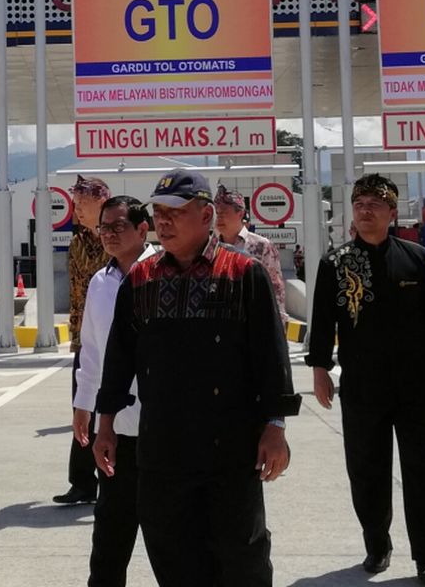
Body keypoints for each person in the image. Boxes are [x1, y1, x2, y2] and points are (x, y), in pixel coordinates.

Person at [94, 170, 299, 587]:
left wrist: (275, 428)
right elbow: (118, 359)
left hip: (230, 451)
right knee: (173, 558)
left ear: (206, 216)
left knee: (243, 561)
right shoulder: (141, 279)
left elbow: (271, 358)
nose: (163, 221)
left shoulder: (244, 274)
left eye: (176, 212)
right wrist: (106, 426)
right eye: (158, 212)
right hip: (162, 451)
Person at [306, 173, 425, 584]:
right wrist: (320, 371)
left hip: (415, 383)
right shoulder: (335, 263)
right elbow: (322, 322)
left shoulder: (416, 257)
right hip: (363, 385)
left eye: (375, 204)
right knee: (367, 468)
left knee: (421, 468)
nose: (366, 211)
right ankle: (377, 544)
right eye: (360, 204)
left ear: (391, 212)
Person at [73, 195, 155, 587]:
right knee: (109, 535)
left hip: (163, 429)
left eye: (119, 226)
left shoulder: (164, 274)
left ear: (143, 229)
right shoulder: (100, 282)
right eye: (104, 227)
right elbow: (91, 349)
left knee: (171, 541)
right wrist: (82, 405)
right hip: (116, 428)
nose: (109, 234)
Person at [54, 174, 111, 505]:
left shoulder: (119, 238)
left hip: (117, 339)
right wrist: (77, 337)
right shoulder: (77, 245)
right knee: (83, 409)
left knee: (117, 412)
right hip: (88, 342)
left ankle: (115, 478)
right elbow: (77, 295)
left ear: (101, 202)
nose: (75, 209)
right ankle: (82, 482)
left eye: (81, 203)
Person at [213, 184, 288, 324]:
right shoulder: (211, 248)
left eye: (224, 212)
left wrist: (279, 327)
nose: (219, 217)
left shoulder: (261, 246)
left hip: (254, 321)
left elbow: (276, 289)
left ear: (240, 213)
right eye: (217, 213)